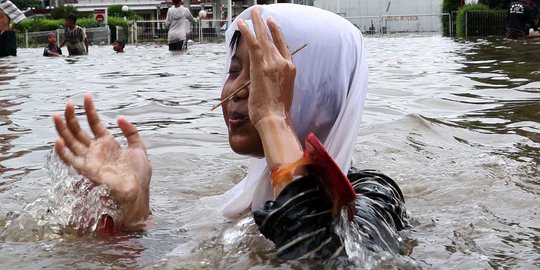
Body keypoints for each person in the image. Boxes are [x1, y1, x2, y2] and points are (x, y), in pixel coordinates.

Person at [52, 4, 408, 260]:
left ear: (322, 97)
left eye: (265, 77)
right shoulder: (244, 199)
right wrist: (136, 209)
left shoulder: (375, 195)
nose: (236, 91)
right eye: (234, 71)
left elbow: (323, 259)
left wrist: (273, 119)